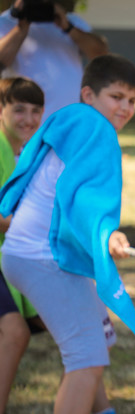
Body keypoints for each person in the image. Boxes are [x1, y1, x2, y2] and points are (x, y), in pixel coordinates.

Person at [0, 54, 135, 414]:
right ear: (88, 94)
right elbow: (81, 195)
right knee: (86, 358)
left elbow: (47, 179)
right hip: (42, 258)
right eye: (116, 97)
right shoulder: (96, 129)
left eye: (132, 100)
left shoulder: (68, 120)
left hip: (27, 253)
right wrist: (105, 233)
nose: (125, 108)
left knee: (98, 341)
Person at [0, 76, 42, 414]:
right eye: (19, 110)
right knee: (14, 334)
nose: (29, 118)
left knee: (74, 324)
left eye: (36, 110)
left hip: (16, 255)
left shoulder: (30, 152)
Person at [0, 0, 109, 121]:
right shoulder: (5, 22)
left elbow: (100, 53)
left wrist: (69, 28)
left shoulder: (72, 21)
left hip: (68, 121)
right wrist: (21, 28)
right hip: (26, 123)